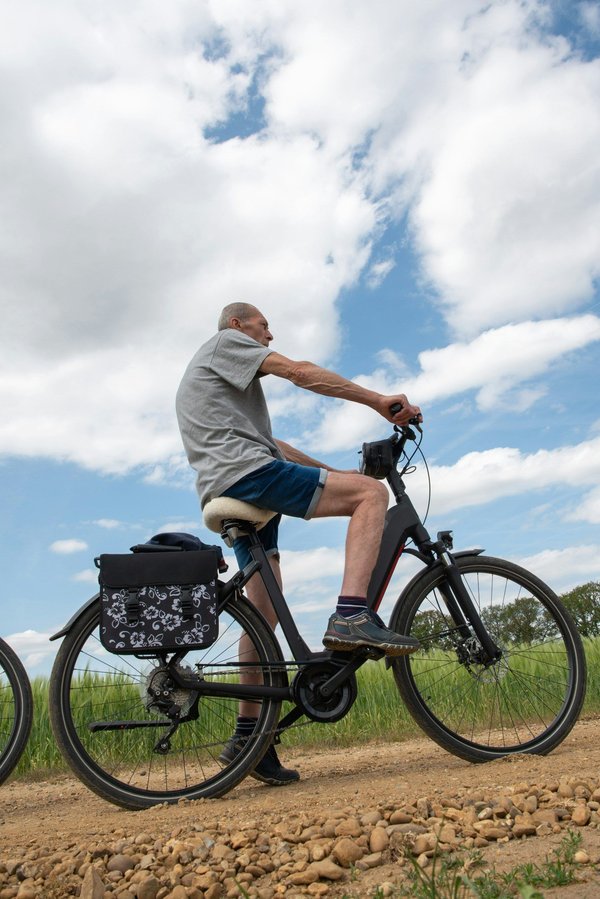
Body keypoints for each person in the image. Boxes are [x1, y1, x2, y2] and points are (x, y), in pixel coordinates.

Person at [176, 302, 422, 785]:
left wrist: (337, 476)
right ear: (237, 325)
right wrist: (377, 401)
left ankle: (251, 737)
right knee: (372, 495)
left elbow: (278, 449)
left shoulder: (232, 400)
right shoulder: (227, 345)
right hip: (247, 476)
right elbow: (300, 372)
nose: (269, 335)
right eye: (263, 326)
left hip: (230, 481)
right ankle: (352, 614)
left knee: (261, 616)